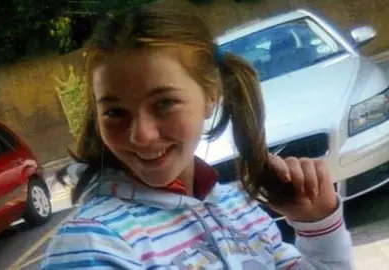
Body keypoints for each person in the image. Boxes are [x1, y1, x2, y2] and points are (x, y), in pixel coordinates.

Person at [42, 1, 353, 269]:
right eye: (114, 112)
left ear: (210, 96)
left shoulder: (239, 207)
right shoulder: (93, 244)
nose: (142, 135)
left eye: (164, 103)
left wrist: (319, 225)